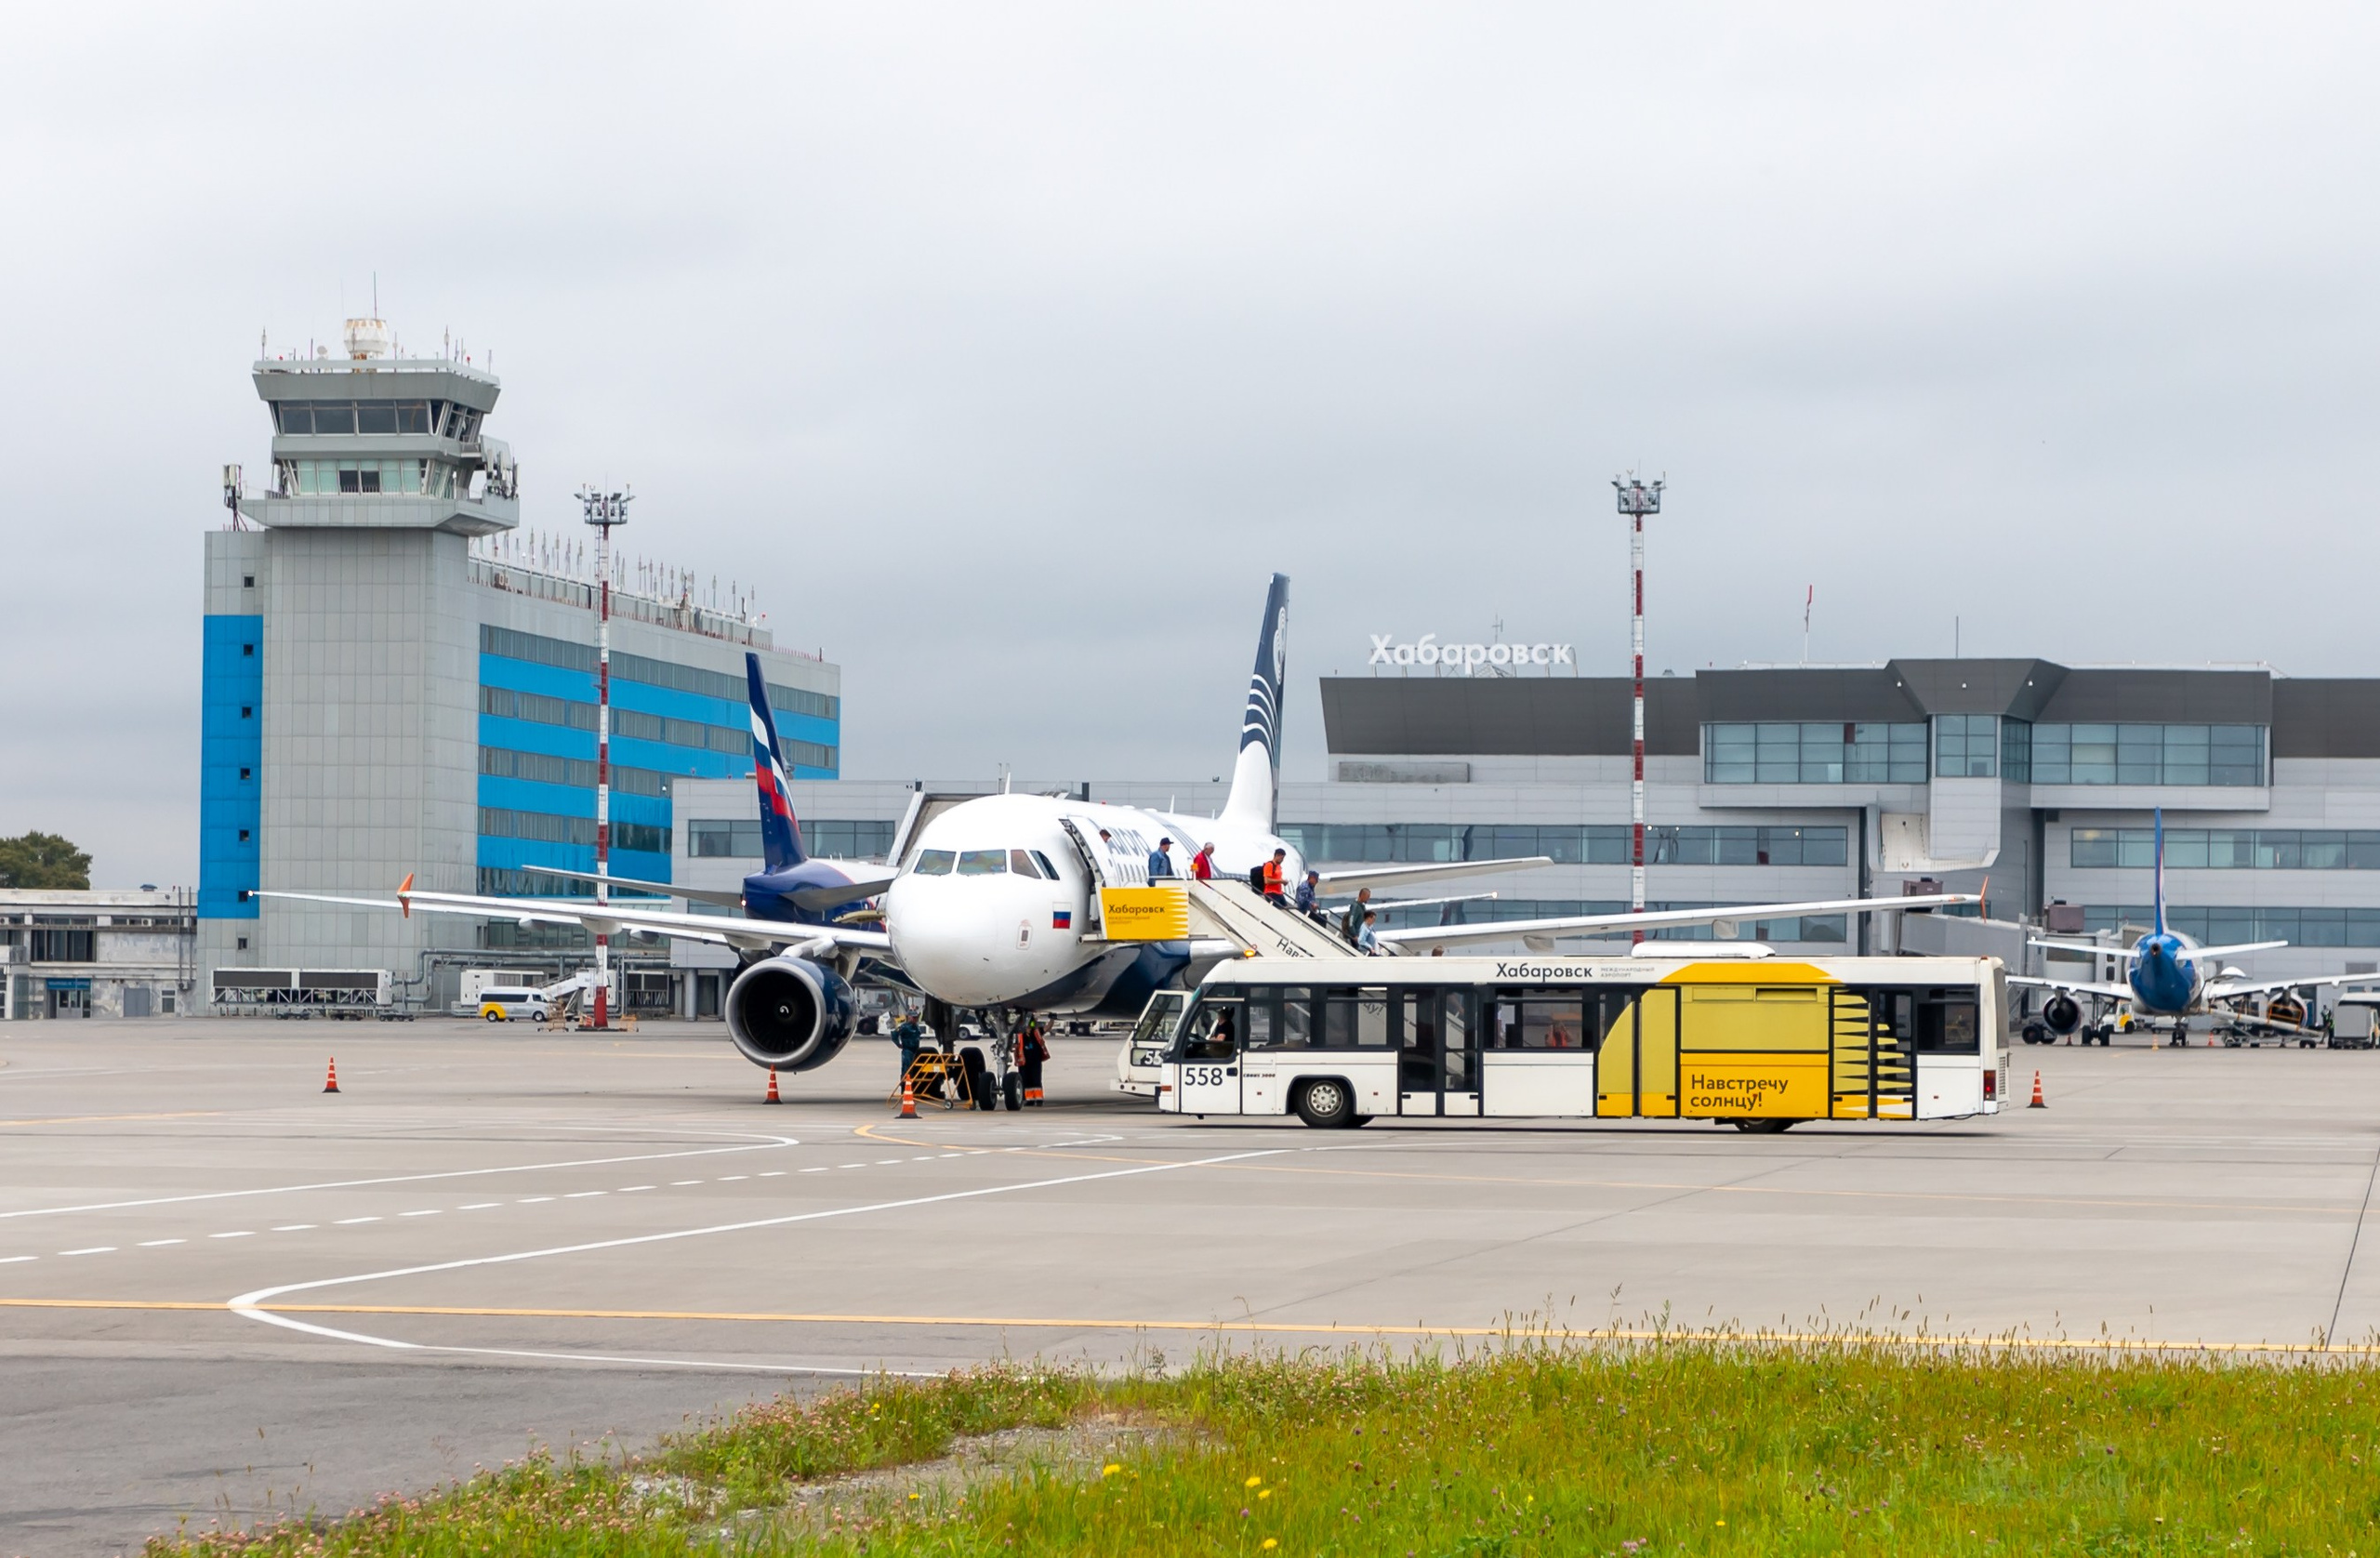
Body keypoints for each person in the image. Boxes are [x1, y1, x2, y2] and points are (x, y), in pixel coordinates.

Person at [1016, 1016, 1050, 1105]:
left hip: (1035, 1062)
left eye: (1030, 1025)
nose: (1029, 1027)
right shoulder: (1020, 1036)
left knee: (1036, 1080)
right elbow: (1016, 1047)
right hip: (1024, 1062)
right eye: (1027, 1026)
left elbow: (1047, 1028)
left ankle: (1038, 1099)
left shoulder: (1036, 1033)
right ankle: (1029, 1099)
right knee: (1026, 1081)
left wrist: (1052, 1019)